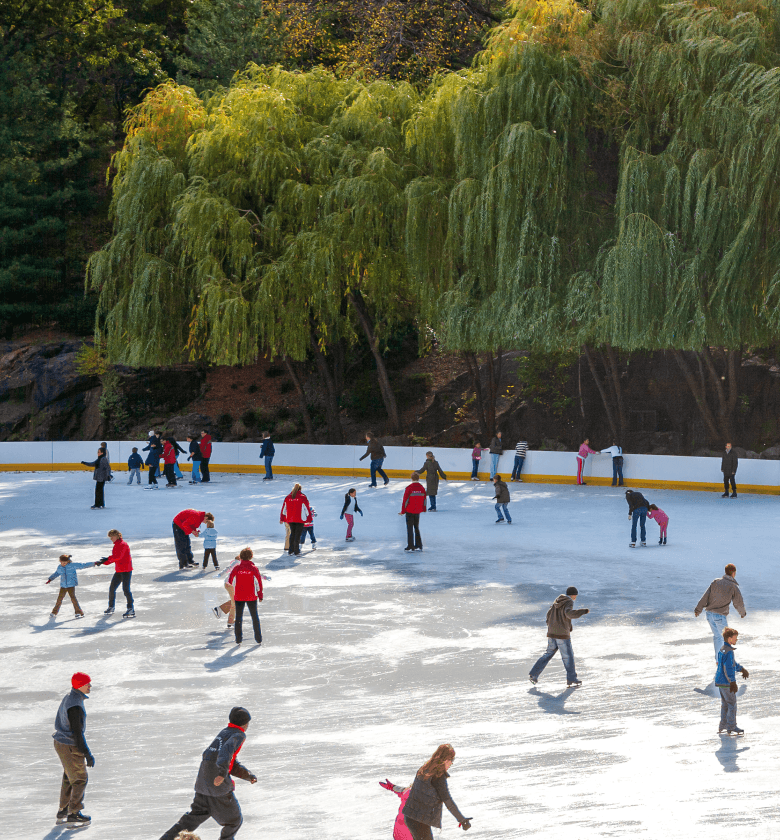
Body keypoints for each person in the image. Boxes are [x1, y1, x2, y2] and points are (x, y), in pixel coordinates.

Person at [158, 707, 257, 840]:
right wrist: (221, 774)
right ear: (246, 724)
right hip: (218, 789)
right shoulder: (239, 734)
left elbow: (228, 761)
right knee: (234, 821)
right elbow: (225, 754)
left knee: (190, 821)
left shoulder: (224, 732)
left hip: (203, 785)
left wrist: (248, 775)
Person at [401, 744, 472, 839]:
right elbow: (448, 801)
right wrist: (461, 820)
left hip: (410, 817)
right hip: (419, 821)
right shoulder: (438, 777)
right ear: (445, 759)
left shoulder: (424, 769)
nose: (451, 763)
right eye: (451, 760)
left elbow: (414, 788)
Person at [52, 672, 94, 827]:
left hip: (61, 743)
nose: (90, 686)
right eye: (87, 683)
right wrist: (87, 754)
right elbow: (77, 733)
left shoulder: (69, 697)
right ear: (79, 685)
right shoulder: (75, 705)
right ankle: (74, 813)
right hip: (69, 744)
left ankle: (63, 810)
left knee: (69, 776)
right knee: (80, 779)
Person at [529, 586, 590, 687]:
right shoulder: (569, 601)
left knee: (548, 654)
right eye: (575, 595)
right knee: (568, 657)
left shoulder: (557, 601)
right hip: (562, 634)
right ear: (573, 595)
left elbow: (548, 615)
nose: (575, 597)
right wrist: (583, 611)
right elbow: (569, 614)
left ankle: (533, 675)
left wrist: (551, 625)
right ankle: (571, 678)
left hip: (552, 633)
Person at [694, 564, 746, 658]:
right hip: (720, 616)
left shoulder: (716, 582)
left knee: (718, 637)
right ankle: (724, 661)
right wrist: (742, 613)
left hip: (709, 615)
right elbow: (738, 602)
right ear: (734, 573)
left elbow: (706, 596)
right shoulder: (733, 586)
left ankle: (718, 659)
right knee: (725, 638)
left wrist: (698, 609)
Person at [715, 628, 749, 735]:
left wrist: (742, 669)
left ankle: (723, 725)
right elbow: (728, 668)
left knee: (725, 704)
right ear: (730, 639)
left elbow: (732, 664)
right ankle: (731, 726)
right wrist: (732, 682)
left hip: (720, 682)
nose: (736, 639)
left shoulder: (723, 649)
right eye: (735, 638)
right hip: (726, 683)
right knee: (732, 704)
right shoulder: (729, 652)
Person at [95, 529, 134, 618]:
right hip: (119, 570)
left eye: (112, 537)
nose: (111, 539)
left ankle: (130, 608)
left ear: (116, 536)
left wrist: (107, 560)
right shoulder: (116, 545)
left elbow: (118, 557)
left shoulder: (123, 545)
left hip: (126, 571)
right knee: (112, 589)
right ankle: (111, 607)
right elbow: (114, 557)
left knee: (126, 589)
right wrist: (103, 562)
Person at [228, 548, 264, 645]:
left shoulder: (237, 568)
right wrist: (260, 595)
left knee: (239, 617)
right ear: (251, 556)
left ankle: (238, 639)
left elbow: (230, 580)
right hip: (251, 597)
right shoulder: (254, 568)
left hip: (239, 596)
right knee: (254, 617)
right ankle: (258, 638)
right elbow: (259, 583)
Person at [46, 555, 93, 619]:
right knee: (59, 599)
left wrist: (95, 563)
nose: (63, 564)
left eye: (65, 563)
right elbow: (56, 573)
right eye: (62, 562)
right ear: (60, 561)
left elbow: (83, 565)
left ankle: (78, 612)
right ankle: (54, 612)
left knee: (73, 598)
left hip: (71, 585)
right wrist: (50, 579)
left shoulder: (72, 565)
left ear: (68, 561)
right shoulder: (59, 567)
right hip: (63, 586)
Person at [280, 484, 311, 556]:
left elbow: (284, 509)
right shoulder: (302, 497)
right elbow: (306, 508)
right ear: (300, 490)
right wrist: (309, 518)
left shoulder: (288, 497)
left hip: (290, 519)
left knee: (292, 534)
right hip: (300, 519)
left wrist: (282, 518)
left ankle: (291, 551)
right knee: (297, 535)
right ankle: (296, 551)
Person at [399, 473, 426, 551]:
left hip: (409, 511)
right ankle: (419, 544)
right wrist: (423, 508)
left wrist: (403, 511)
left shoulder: (409, 488)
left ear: (412, 479)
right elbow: (424, 499)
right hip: (418, 511)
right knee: (416, 527)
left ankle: (410, 545)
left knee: (410, 528)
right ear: (418, 478)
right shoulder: (421, 488)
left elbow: (405, 501)